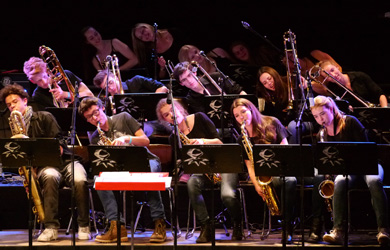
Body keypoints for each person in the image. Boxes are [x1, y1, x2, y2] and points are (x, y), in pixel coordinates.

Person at [0, 84, 91, 242]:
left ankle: (84, 225)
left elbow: (60, 143)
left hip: (65, 161)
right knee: (49, 177)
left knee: (80, 179)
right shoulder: (15, 129)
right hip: (45, 166)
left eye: (15, 102)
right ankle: (51, 227)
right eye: (9, 104)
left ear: (25, 101)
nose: (11, 106)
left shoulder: (44, 116)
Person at [78, 96, 167, 243]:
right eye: (89, 117)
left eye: (95, 112)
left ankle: (159, 222)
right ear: (87, 120)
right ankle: (116, 225)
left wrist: (127, 139)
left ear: (102, 109)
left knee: (151, 175)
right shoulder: (95, 138)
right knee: (98, 179)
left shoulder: (123, 118)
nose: (94, 118)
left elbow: (146, 141)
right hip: (120, 167)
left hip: (145, 160)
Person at [155, 98, 243, 242]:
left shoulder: (200, 117)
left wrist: (202, 141)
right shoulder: (174, 137)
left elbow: (219, 142)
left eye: (172, 110)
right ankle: (206, 225)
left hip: (223, 165)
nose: (171, 115)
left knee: (227, 194)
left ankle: (237, 223)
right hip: (203, 170)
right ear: (165, 120)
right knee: (192, 184)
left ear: (179, 109)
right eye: (166, 115)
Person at [310, 95, 389, 245]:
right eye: (316, 116)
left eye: (322, 114)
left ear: (332, 109)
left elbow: (366, 150)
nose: (320, 119)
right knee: (339, 181)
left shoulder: (350, 122)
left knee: (374, 180)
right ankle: (338, 230)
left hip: (368, 165)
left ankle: (383, 229)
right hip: (348, 171)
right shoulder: (322, 133)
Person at [231, 98, 297, 243]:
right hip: (260, 175)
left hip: (280, 170)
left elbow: (285, 149)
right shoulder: (242, 137)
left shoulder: (272, 122)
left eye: (243, 112)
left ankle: (288, 225)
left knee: (290, 180)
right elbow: (249, 165)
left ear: (252, 110)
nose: (241, 117)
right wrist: (257, 185)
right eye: (237, 115)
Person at [172, 61, 246, 114]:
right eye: (184, 79)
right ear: (181, 83)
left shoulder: (216, 77)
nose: (189, 80)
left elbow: (239, 92)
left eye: (189, 75)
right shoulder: (191, 99)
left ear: (194, 72)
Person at [23, 57, 94, 111]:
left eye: (44, 76)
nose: (44, 82)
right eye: (39, 80)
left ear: (47, 71)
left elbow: (90, 94)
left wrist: (65, 94)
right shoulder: (38, 95)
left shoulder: (66, 75)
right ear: (33, 81)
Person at [316, 60, 388, 108]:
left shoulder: (359, 76)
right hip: (360, 119)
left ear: (337, 67)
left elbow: (380, 94)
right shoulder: (332, 90)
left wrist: (384, 110)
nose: (333, 75)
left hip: (377, 108)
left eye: (332, 70)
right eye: (328, 75)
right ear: (327, 79)